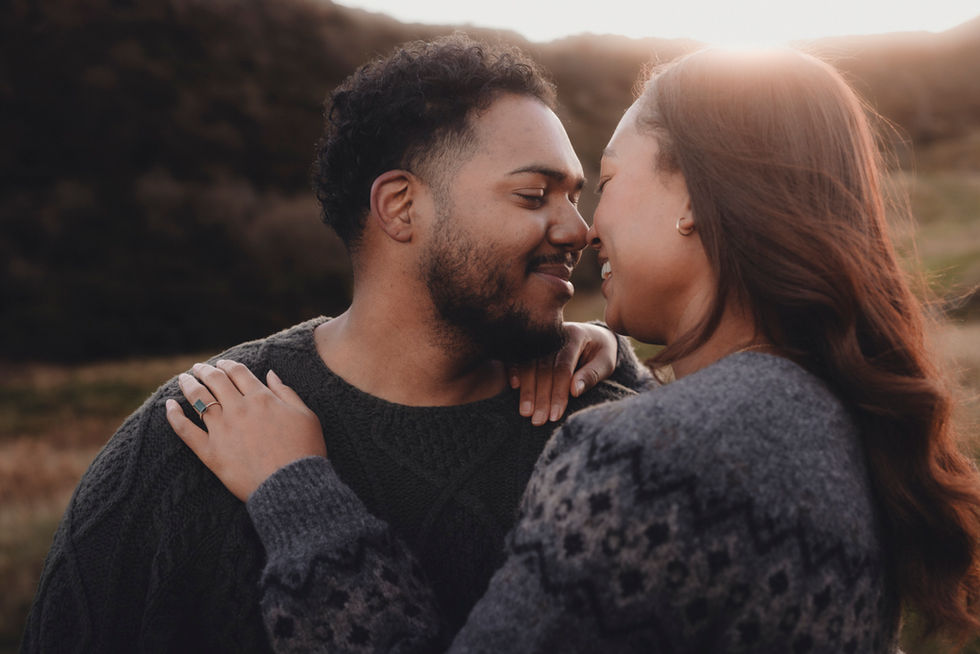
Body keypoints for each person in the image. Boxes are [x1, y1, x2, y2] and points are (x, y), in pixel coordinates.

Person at [170, 46, 980, 653]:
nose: (588, 228)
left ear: (693, 198)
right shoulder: (831, 418)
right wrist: (630, 370)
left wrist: (298, 496)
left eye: (608, 178)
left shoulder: (649, 458)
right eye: (539, 194)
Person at [21, 36, 653, 652]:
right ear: (401, 207)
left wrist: (619, 362)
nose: (580, 229)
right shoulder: (197, 428)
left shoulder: (609, 419)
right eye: (534, 195)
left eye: (576, 196)